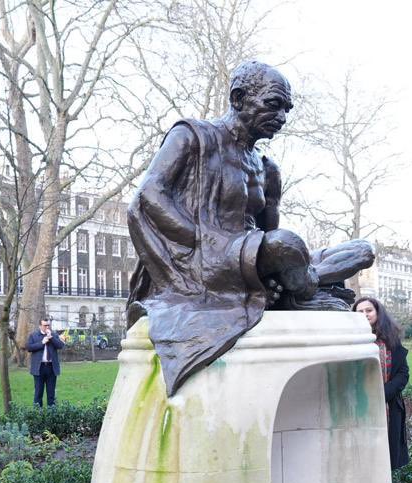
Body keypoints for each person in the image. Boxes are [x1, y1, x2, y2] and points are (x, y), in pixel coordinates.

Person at [126, 60, 373, 396]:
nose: (282, 118)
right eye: (274, 104)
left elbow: (269, 235)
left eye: (287, 109)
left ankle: (298, 284)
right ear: (239, 98)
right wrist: (200, 246)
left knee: (362, 250)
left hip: (247, 254)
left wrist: (266, 272)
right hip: (203, 255)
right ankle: (304, 291)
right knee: (288, 245)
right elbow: (149, 196)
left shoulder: (267, 168)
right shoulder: (192, 136)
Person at [353, 297, 410, 470]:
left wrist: (383, 393)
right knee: (362, 453)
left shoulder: (391, 339)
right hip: (359, 406)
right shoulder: (349, 340)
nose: (365, 314)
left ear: (378, 312)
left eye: (369, 310)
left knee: (388, 452)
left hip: (388, 404)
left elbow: (403, 373)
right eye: (360, 311)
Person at [26, 318, 65, 407]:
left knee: (51, 393)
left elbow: (60, 345)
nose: (47, 327)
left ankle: (52, 414)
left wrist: (51, 338)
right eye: (45, 325)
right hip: (39, 368)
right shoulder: (34, 335)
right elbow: (29, 347)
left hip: (51, 368)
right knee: (38, 392)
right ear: (40, 326)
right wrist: (42, 343)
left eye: (48, 325)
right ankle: (38, 414)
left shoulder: (53, 335)